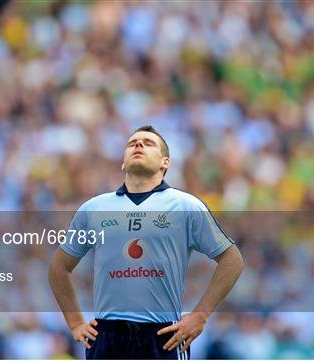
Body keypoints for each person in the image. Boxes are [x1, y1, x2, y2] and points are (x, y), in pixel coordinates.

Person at [48, 125, 244, 359]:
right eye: (132, 143)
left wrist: (200, 315)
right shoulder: (94, 209)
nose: (138, 145)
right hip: (108, 337)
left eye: (148, 143)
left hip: (162, 336)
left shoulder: (185, 206)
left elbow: (232, 259)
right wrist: (75, 322)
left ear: (165, 163)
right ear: (123, 163)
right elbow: (59, 267)